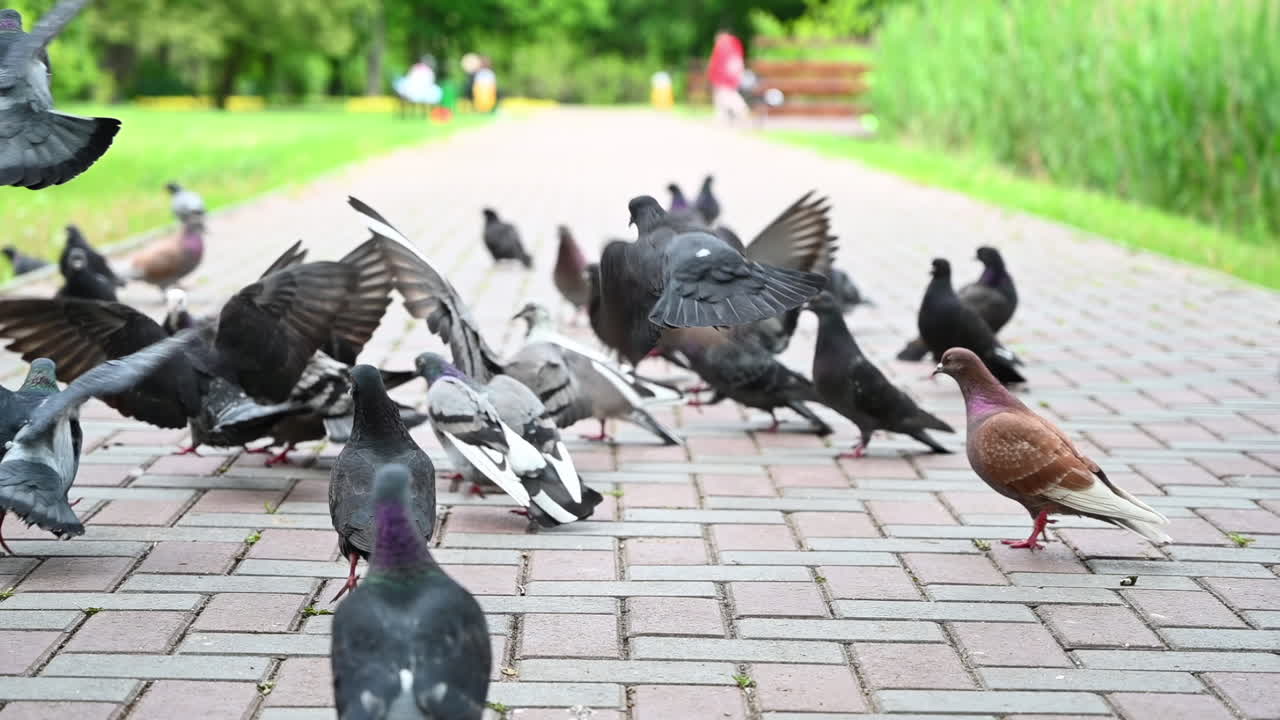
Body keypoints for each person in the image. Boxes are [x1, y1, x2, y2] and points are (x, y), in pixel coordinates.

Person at [707, 30, 749, 124]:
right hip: (731, 77)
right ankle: (722, 116)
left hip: (723, 78)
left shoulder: (723, 46)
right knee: (724, 96)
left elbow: (717, 63)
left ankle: (740, 109)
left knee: (726, 96)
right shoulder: (734, 45)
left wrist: (713, 76)